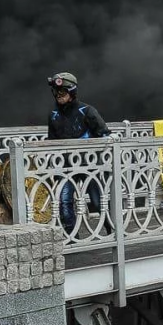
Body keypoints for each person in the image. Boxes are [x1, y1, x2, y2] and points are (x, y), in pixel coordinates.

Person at [46, 72, 109, 230]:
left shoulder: (87, 111)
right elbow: (52, 141)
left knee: (98, 201)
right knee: (64, 201)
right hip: (65, 166)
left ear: (72, 92)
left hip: (90, 165)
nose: (58, 95)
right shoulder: (53, 115)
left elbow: (105, 135)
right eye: (56, 92)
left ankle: (112, 230)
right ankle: (71, 237)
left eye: (62, 92)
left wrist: (100, 158)